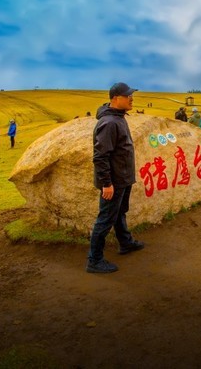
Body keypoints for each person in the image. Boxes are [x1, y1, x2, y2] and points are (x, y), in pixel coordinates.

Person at [87, 82, 145, 274]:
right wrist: (107, 184)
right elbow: (100, 156)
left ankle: (125, 243)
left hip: (123, 178)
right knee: (105, 219)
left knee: (119, 212)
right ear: (115, 98)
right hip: (114, 182)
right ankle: (94, 260)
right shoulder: (109, 123)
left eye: (131, 95)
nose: (131, 98)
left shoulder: (118, 117)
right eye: (128, 95)